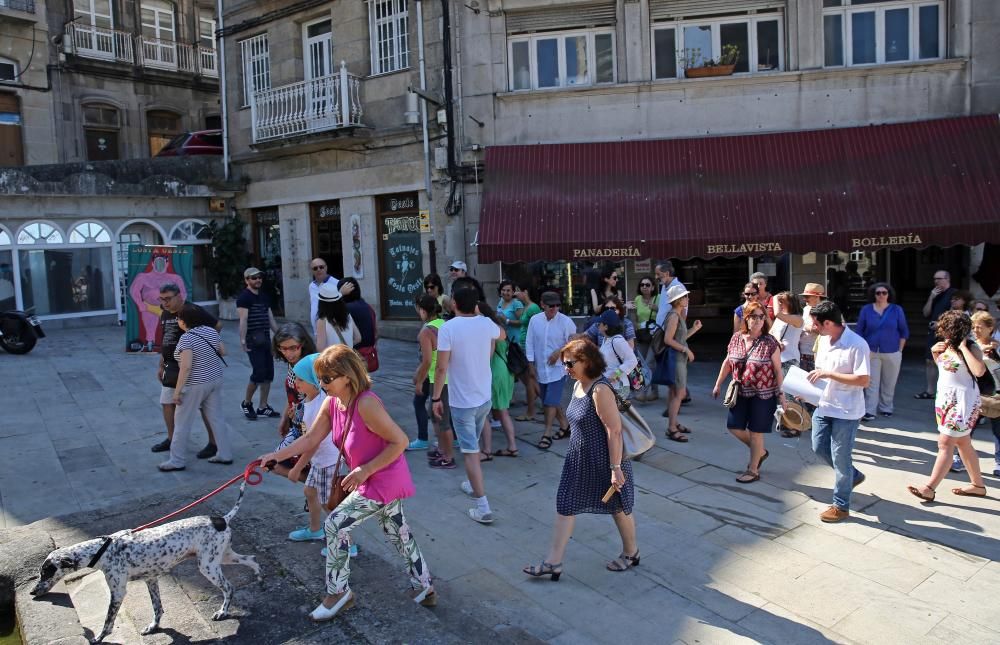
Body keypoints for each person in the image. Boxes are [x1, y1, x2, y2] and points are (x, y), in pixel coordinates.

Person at [256, 345, 435, 621]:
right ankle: (424, 585)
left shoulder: (366, 403)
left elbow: (400, 441)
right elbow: (310, 440)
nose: (322, 384)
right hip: (366, 478)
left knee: (335, 524)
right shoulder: (332, 402)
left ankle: (338, 593)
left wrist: (366, 469)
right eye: (320, 378)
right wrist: (275, 456)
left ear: (347, 376)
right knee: (398, 532)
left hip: (382, 478)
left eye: (327, 378)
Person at [522, 338, 638, 580]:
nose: (566, 368)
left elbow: (614, 431)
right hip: (579, 458)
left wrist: (616, 468)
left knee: (617, 507)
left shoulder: (600, 390)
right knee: (565, 503)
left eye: (569, 363)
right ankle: (553, 563)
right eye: (564, 364)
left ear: (586, 361)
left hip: (605, 459)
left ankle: (631, 552)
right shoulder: (578, 385)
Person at [432, 286, 501, 524]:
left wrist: (436, 397)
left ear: (454, 304)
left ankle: (482, 505)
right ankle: (474, 485)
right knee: (473, 446)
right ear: (476, 305)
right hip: (483, 397)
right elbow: (501, 334)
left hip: (463, 401)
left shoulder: (448, 328)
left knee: (470, 453)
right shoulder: (485, 324)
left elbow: (441, 367)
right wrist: (482, 316)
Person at [907, 311, 988, 502]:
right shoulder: (945, 346)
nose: (940, 330)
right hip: (946, 400)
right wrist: (937, 354)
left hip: (963, 402)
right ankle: (978, 485)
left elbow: (979, 371)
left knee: (945, 443)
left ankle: (929, 488)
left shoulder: (971, 347)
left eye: (945, 327)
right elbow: (947, 370)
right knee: (963, 443)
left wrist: (963, 348)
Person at [806, 301, 870, 522]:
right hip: (823, 405)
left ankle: (841, 505)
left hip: (847, 411)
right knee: (818, 447)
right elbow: (818, 373)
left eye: (816, 324)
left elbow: (863, 379)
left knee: (840, 457)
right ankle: (852, 475)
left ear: (828, 323)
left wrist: (829, 374)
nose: (813, 327)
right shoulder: (823, 340)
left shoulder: (857, 344)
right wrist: (805, 391)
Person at [712, 301, 784, 483]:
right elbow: (728, 362)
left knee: (755, 431)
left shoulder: (770, 342)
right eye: (754, 317)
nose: (758, 320)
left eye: (761, 316)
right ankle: (759, 451)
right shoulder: (737, 337)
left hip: (763, 394)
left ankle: (753, 470)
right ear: (746, 318)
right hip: (740, 391)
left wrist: (781, 394)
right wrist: (718, 383)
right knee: (734, 426)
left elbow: (777, 370)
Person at [159, 304, 233, 471]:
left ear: (184, 321)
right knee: (217, 418)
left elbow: (186, 367)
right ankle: (225, 454)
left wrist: (177, 392)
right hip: (214, 379)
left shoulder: (186, 338)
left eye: (179, 318)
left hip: (194, 384)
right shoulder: (211, 332)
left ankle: (176, 460)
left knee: (182, 423)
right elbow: (223, 351)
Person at [152, 283, 220, 458]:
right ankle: (171, 439)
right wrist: (161, 363)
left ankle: (214, 443)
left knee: (203, 406)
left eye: (168, 299)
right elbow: (166, 339)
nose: (164, 303)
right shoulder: (165, 312)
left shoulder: (192, 310)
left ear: (179, 295)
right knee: (167, 402)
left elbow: (217, 325)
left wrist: (204, 345)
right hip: (170, 365)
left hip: (191, 365)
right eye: (162, 299)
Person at [283, 353, 338, 545]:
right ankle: (315, 530)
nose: (295, 382)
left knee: (328, 504)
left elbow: (313, 442)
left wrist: (297, 467)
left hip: (326, 461)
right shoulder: (311, 399)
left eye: (301, 379)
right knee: (310, 492)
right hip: (320, 459)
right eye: (295, 377)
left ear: (316, 381)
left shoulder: (319, 405)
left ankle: (346, 545)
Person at [526, 291, 578, 450]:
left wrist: (559, 352)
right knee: (549, 400)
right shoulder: (535, 321)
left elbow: (575, 343)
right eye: (551, 306)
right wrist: (530, 364)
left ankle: (546, 433)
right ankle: (564, 426)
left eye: (557, 305)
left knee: (550, 402)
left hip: (559, 369)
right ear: (542, 304)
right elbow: (529, 342)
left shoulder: (566, 322)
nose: (554, 309)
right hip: (541, 368)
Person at [409, 294, 455, 469]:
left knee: (442, 420)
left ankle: (448, 457)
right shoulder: (444, 324)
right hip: (447, 376)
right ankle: (442, 450)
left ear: (422, 310)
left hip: (439, 379)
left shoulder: (426, 331)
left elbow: (427, 360)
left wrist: (418, 379)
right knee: (435, 417)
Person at [269, 323, 319, 478]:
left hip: (311, 424)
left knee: (276, 463)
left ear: (302, 344)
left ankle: (316, 489)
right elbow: (292, 394)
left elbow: (320, 397)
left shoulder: (310, 365)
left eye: (293, 348)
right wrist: (285, 418)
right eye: (283, 348)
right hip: (297, 423)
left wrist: (299, 411)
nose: (288, 353)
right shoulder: (292, 364)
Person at [855, 282, 909, 421]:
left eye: (884, 293)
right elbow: (860, 331)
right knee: (871, 382)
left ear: (888, 294)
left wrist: (900, 350)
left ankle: (886, 407)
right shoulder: (866, 310)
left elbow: (904, 331)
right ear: (873, 295)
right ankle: (870, 410)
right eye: (878, 293)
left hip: (892, 350)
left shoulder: (897, 310)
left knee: (889, 381)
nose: (881, 295)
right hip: (871, 350)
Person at [238, 268, 279, 420]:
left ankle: (263, 406)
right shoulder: (244, 298)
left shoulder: (264, 296)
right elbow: (243, 320)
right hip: (253, 342)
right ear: (247, 280)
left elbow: (271, 318)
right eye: (253, 278)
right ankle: (247, 403)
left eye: (259, 277)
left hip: (266, 340)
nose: (257, 280)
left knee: (269, 374)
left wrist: (280, 335)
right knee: (258, 373)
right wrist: (242, 339)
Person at [479, 302, 518, 458]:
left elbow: (488, 354)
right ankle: (512, 446)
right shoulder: (499, 327)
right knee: (502, 411)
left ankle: (488, 450)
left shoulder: (490, 330)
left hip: (495, 371)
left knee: (488, 412)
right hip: (504, 370)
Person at [663, 285, 702, 442]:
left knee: (675, 393)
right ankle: (672, 428)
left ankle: (674, 423)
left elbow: (679, 338)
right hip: (676, 359)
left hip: (678, 359)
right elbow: (668, 340)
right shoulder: (674, 316)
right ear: (678, 300)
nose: (687, 299)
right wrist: (686, 351)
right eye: (685, 296)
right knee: (680, 393)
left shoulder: (677, 315)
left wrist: (694, 329)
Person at [916, 269, 956, 399]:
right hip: (933, 333)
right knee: (929, 361)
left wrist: (940, 324)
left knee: (946, 363)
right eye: (935, 279)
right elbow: (925, 313)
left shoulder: (953, 294)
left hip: (946, 334)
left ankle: (946, 392)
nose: (936, 281)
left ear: (947, 279)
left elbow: (954, 314)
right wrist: (931, 297)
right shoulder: (934, 294)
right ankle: (930, 391)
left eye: (939, 279)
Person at [971, 312, 1000, 476]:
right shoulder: (971, 346)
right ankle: (959, 458)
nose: (976, 330)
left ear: (990, 328)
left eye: (980, 327)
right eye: (974, 327)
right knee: (968, 427)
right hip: (975, 392)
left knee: (998, 430)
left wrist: (995, 353)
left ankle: (999, 462)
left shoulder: (997, 346)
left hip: (996, 394)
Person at [513, 284, 542, 421]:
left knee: (530, 379)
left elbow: (539, 326)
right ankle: (546, 403)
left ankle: (531, 411)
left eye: (518, 291)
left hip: (530, 347)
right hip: (524, 345)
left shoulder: (533, 308)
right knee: (530, 379)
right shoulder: (525, 307)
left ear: (525, 291)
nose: (515, 294)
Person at [595, 310, 638, 400]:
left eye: (599, 323)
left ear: (606, 326)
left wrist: (615, 375)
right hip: (608, 386)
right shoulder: (606, 339)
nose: (597, 325)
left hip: (619, 388)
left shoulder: (617, 341)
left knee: (611, 413)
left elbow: (632, 360)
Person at [631, 276, 659, 403]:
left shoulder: (658, 299)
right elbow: (635, 315)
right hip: (642, 335)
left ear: (653, 287)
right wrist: (635, 326)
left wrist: (656, 308)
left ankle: (643, 392)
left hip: (655, 335)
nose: (644, 287)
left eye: (648, 285)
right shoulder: (637, 299)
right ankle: (654, 391)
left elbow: (665, 314)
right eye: (642, 285)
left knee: (649, 363)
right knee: (643, 364)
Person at [308, 258, 352, 335]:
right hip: (316, 331)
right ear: (312, 271)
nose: (318, 269)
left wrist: (340, 293)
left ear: (326, 268)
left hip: (331, 330)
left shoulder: (337, 283)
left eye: (321, 267)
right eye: (315, 268)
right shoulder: (311, 286)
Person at [315, 283, 361, 351]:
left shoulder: (322, 321)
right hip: (348, 357)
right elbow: (358, 338)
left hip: (334, 359)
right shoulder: (347, 315)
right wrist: (346, 347)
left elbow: (320, 348)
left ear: (321, 303)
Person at [339, 277, 377, 352]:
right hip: (370, 353)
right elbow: (376, 333)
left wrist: (339, 294)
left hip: (355, 354)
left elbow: (328, 311)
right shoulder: (367, 306)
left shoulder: (346, 309)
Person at [797, 283, 826, 373]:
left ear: (817, 297)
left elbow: (826, 330)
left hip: (818, 354)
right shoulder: (805, 309)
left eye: (807, 296)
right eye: (804, 296)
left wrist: (807, 327)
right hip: (802, 353)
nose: (805, 299)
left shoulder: (826, 310)